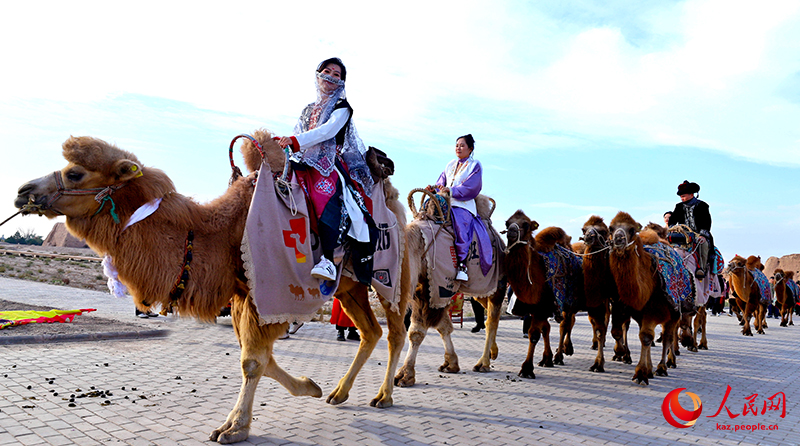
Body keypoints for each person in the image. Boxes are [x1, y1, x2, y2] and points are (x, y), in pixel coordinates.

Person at [277, 57, 377, 285]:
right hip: (302, 160)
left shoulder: (343, 109)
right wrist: (286, 143)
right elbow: (299, 131)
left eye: (337, 74)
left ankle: (329, 260)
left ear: (341, 82)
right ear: (318, 74)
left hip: (328, 164)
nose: (331, 76)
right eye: (327, 71)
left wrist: (294, 141)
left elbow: (326, 131)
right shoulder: (308, 110)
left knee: (326, 199)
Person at [427, 134, 492, 282]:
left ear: (470, 149)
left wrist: (451, 191)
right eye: (457, 145)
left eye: (462, 145)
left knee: (460, 225)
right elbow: (441, 183)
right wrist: (434, 188)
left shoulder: (475, 165)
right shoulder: (450, 165)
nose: (458, 148)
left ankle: (462, 265)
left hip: (463, 204)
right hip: (446, 201)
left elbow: (472, 187)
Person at [668, 180, 713, 279]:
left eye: (683, 196)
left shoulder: (702, 206)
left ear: (691, 194)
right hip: (683, 234)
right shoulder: (679, 206)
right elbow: (673, 219)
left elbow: (707, 221)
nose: (682, 198)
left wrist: (703, 235)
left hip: (698, 234)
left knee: (702, 244)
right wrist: (671, 228)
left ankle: (701, 268)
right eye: (681, 196)